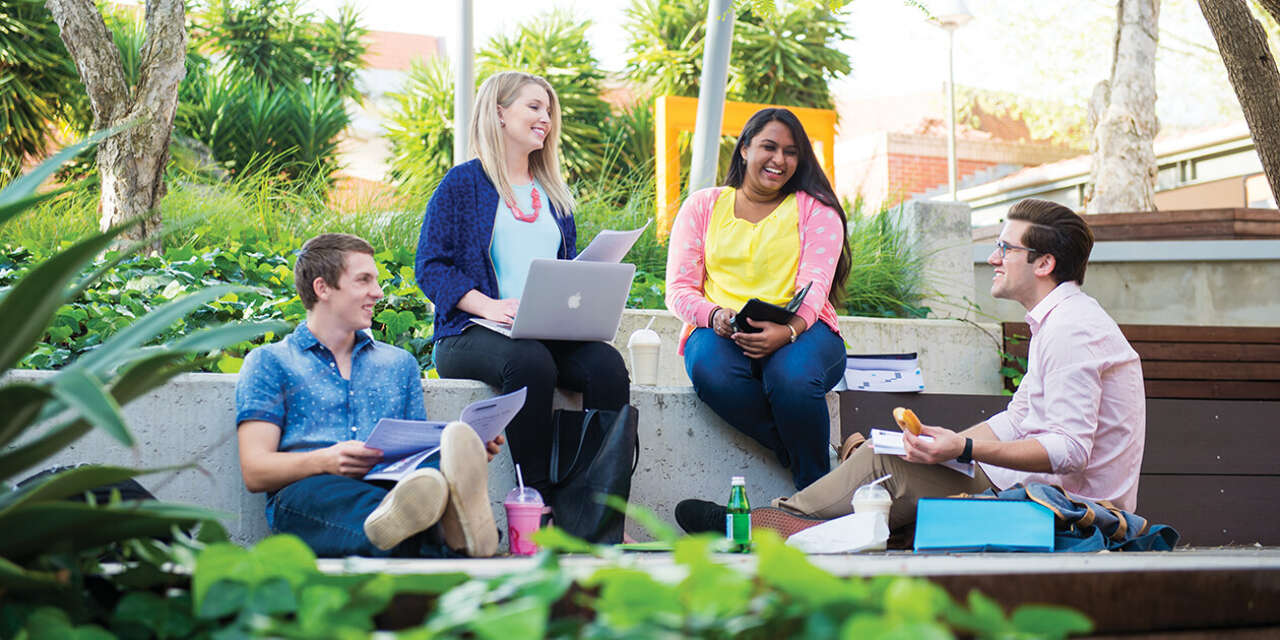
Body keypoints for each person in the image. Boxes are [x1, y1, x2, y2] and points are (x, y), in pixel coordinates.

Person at [676, 198, 1147, 543]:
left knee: (882, 463)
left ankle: (766, 522)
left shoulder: (1072, 329)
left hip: (1068, 508)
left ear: (1044, 263)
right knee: (891, 453)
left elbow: (1071, 450)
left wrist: (962, 447)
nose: (993, 259)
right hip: (1034, 488)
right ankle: (778, 523)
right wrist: (944, 446)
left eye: (1005, 248)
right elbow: (1021, 415)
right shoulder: (1059, 322)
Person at [415, 71, 630, 511]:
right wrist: (490, 307)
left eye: (549, 110)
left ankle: (597, 508)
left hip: (545, 331)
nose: (545, 118)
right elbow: (430, 267)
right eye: (534, 107)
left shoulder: (553, 194)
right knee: (530, 361)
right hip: (468, 332)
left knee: (606, 365)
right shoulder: (463, 184)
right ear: (499, 113)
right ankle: (537, 501)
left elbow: (563, 274)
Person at [236, 233, 504, 558]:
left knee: (424, 478)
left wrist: (466, 447)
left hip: (396, 485)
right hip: (312, 491)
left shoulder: (398, 364)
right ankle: (451, 534)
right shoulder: (271, 362)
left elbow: (415, 456)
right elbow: (255, 470)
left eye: (376, 280)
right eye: (364, 280)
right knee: (360, 505)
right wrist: (326, 460)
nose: (377, 293)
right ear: (323, 288)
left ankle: (433, 522)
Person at [664, 107, 853, 490]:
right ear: (745, 148)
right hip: (722, 329)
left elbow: (815, 287)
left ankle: (814, 490)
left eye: (791, 151)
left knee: (792, 378)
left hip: (804, 328)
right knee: (710, 371)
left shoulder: (816, 211)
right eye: (769, 147)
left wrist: (790, 332)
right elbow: (679, 290)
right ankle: (808, 460)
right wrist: (714, 314)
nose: (779, 160)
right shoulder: (703, 206)